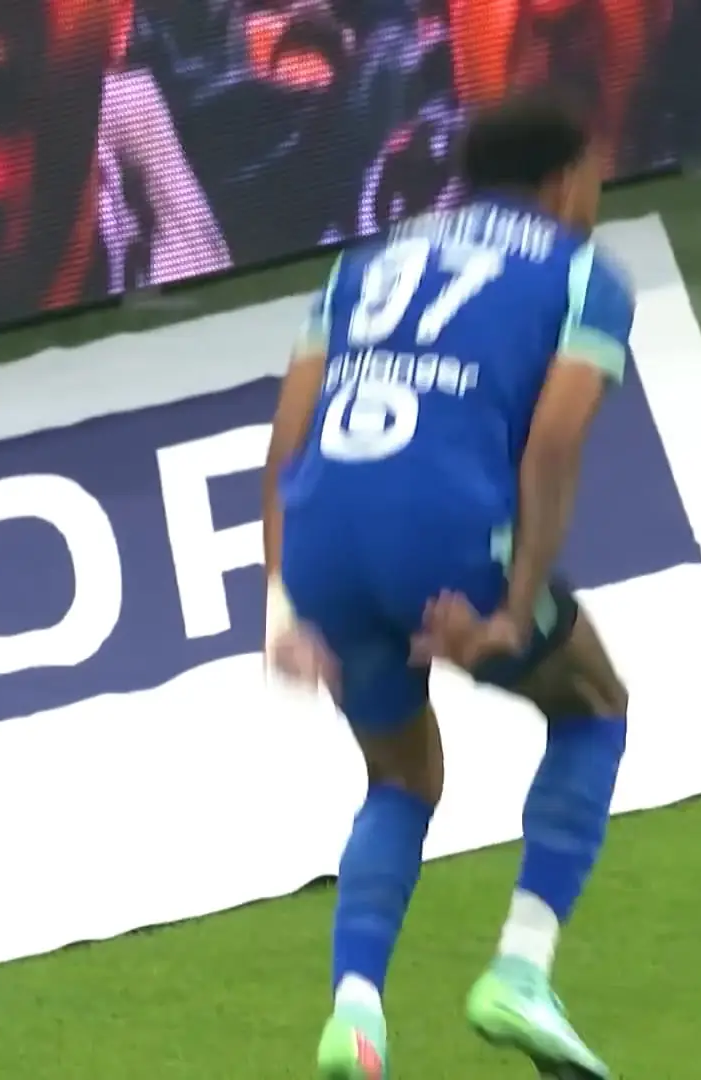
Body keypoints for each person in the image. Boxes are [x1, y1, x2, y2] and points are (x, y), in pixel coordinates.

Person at [262, 93, 634, 1080]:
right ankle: (521, 972)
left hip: (325, 540)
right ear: (564, 180)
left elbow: (288, 437)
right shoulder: (584, 275)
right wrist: (512, 607)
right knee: (593, 706)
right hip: (446, 536)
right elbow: (552, 443)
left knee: (399, 779)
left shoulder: (362, 265)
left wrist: (284, 606)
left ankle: (356, 1016)